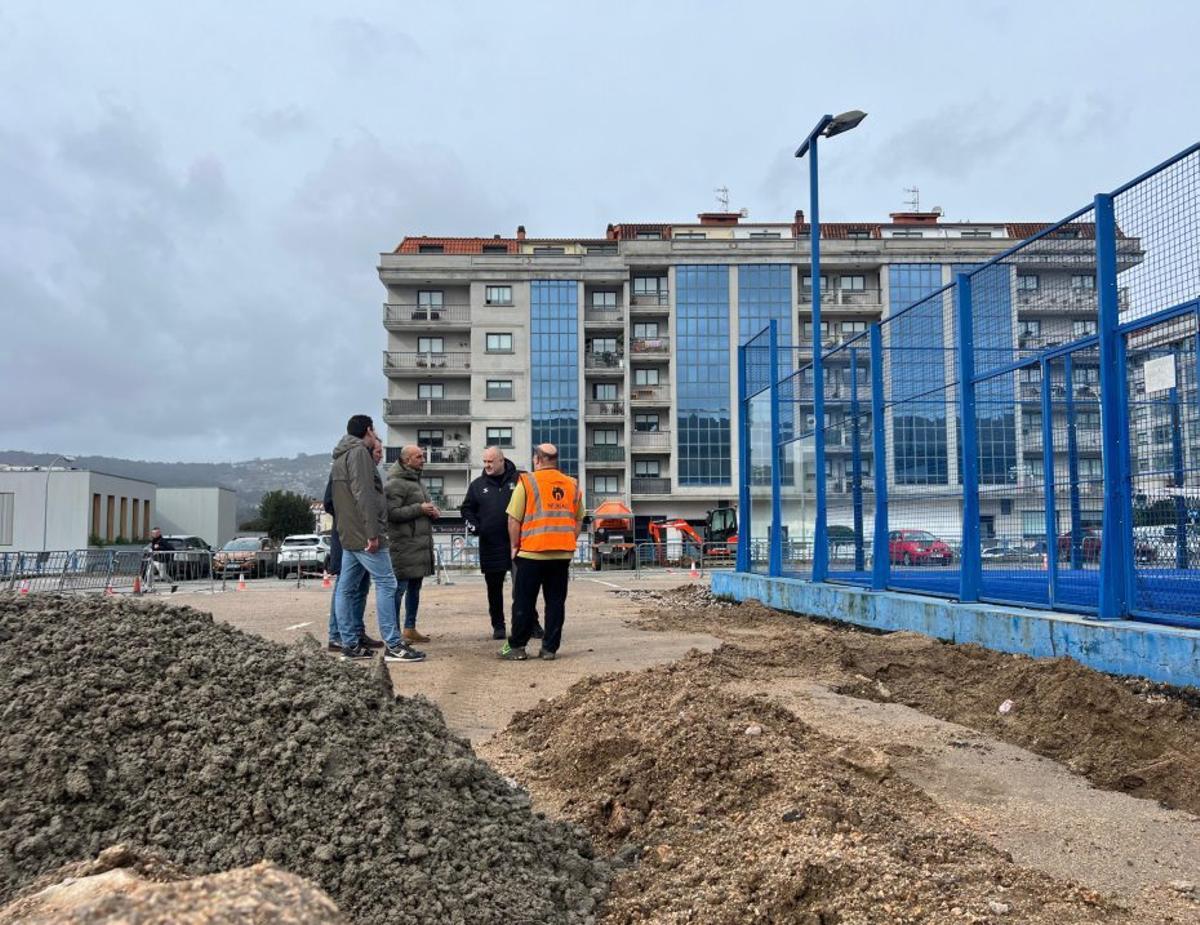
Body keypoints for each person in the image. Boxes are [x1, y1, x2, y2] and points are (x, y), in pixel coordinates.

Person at [330, 415, 424, 663]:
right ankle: (394, 645)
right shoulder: (359, 453)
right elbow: (364, 494)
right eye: (373, 431)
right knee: (387, 583)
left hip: (349, 534)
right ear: (368, 431)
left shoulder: (340, 456)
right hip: (365, 535)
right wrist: (372, 533)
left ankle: (349, 644)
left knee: (346, 588)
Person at [500, 443, 584, 661]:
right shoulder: (572, 485)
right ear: (555, 461)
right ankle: (549, 649)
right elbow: (578, 519)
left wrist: (514, 546)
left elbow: (513, 519)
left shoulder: (527, 482)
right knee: (555, 603)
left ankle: (517, 647)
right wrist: (568, 539)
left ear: (537, 460)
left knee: (524, 602)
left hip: (531, 553)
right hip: (561, 555)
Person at [461, 446, 543, 641]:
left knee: (523, 587)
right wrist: (475, 526)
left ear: (501, 461)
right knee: (494, 590)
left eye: (490, 461)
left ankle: (532, 623)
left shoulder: (521, 479)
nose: (487, 465)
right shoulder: (477, 485)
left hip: (519, 544)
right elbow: (466, 510)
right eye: (485, 462)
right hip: (491, 545)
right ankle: (498, 626)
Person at [323, 442, 382, 653]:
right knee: (344, 587)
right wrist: (350, 521)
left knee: (361, 587)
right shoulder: (345, 471)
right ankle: (337, 635)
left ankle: (357, 631)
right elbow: (329, 502)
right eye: (377, 452)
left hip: (362, 538)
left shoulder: (369, 474)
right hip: (347, 537)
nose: (380, 457)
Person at [385, 444, 438, 644]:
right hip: (403, 546)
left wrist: (432, 512)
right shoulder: (395, 484)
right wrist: (419, 508)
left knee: (415, 588)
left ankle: (410, 627)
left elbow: (421, 510)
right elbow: (391, 513)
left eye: (423, 456)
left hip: (418, 546)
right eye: (419, 456)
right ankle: (395, 631)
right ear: (407, 460)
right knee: (399, 589)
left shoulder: (418, 482)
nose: (423, 459)